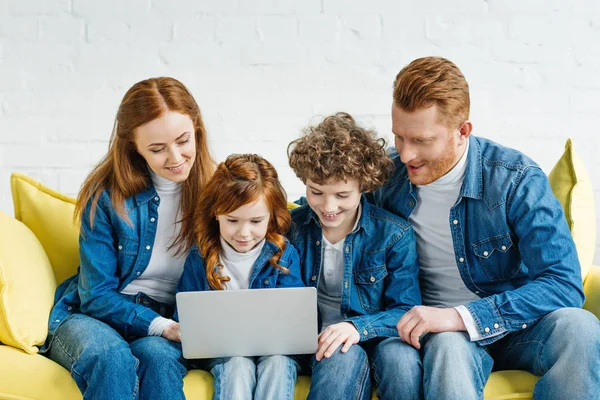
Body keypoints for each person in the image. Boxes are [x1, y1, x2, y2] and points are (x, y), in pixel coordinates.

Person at [370, 56, 600, 399]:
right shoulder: (386, 178)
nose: (405, 155)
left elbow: (563, 284)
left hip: (520, 326)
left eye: (421, 140)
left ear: (462, 132)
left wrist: (462, 316)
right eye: (399, 137)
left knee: (581, 328)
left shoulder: (514, 179)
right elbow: (327, 206)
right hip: (439, 336)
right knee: (448, 345)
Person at [42, 77, 215, 399]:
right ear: (133, 147)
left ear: (197, 130)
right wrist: (162, 326)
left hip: (166, 320)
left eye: (183, 140)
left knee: (159, 359)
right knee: (111, 358)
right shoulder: (107, 197)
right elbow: (95, 296)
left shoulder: (218, 194)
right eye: (157, 149)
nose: (175, 157)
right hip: (92, 315)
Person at [287, 113, 423, 400]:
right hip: (308, 342)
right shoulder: (291, 228)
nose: (328, 206)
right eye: (316, 192)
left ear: (364, 185)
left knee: (401, 361)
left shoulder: (393, 234)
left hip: (374, 336)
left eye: (342, 195)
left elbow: (406, 309)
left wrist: (356, 327)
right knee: (341, 356)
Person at [176, 153, 305, 400]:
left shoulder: (285, 254)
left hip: (276, 349)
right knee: (237, 364)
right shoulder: (200, 256)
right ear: (216, 214)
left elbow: (294, 322)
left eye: (256, 221)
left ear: (272, 216)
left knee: (278, 363)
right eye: (232, 220)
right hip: (223, 350)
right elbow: (184, 317)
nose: (244, 233)